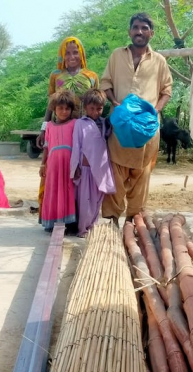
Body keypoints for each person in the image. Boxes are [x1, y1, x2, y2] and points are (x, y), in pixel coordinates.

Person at [100, 12, 173, 225]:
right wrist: (115, 103)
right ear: (129, 31)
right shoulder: (116, 55)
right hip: (120, 126)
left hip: (147, 129)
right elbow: (106, 83)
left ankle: (133, 220)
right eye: (135, 27)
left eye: (144, 28)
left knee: (142, 173)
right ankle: (111, 219)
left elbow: (166, 90)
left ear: (151, 33)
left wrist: (155, 112)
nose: (139, 32)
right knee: (115, 171)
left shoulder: (159, 61)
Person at [36, 36, 99, 149]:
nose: (72, 57)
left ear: (82, 54)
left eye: (75, 52)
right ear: (62, 56)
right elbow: (50, 105)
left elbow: (96, 104)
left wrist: (98, 129)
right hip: (60, 129)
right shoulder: (56, 75)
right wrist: (43, 129)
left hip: (84, 130)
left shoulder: (91, 76)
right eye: (67, 53)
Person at [70, 89, 116, 237]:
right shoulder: (80, 123)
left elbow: (107, 139)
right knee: (85, 201)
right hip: (85, 169)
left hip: (101, 169)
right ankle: (82, 229)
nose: (96, 112)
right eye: (92, 108)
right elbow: (76, 145)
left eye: (99, 109)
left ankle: (92, 227)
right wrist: (75, 166)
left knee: (97, 200)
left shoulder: (104, 123)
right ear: (85, 107)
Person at [39, 90, 77, 232]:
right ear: (54, 109)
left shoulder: (75, 124)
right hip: (53, 166)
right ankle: (52, 222)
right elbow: (46, 147)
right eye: (60, 108)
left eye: (67, 108)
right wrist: (43, 164)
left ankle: (69, 222)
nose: (64, 111)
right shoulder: (49, 126)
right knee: (53, 191)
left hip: (69, 166)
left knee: (68, 192)